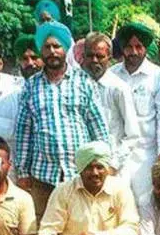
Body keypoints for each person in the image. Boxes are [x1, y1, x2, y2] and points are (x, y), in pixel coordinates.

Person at [15, 22, 109, 222]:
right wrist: (22, 172)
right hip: (42, 176)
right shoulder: (31, 86)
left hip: (80, 174)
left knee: (81, 228)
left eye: (57, 46)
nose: (52, 51)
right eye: (47, 47)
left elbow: (98, 127)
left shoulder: (84, 81)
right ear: (41, 50)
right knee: (43, 230)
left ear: (65, 48)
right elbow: (24, 131)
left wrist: (104, 164)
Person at [89, 28, 157, 197]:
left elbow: (132, 134)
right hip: (88, 168)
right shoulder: (80, 86)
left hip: (114, 167)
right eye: (90, 56)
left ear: (109, 57)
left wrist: (113, 165)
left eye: (100, 56)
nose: (95, 60)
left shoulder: (118, 87)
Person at [0, 35, 44, 154]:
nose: (30, 63)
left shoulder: (57, 93)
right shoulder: (9, 99)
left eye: (35, 57)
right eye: (24, 59)